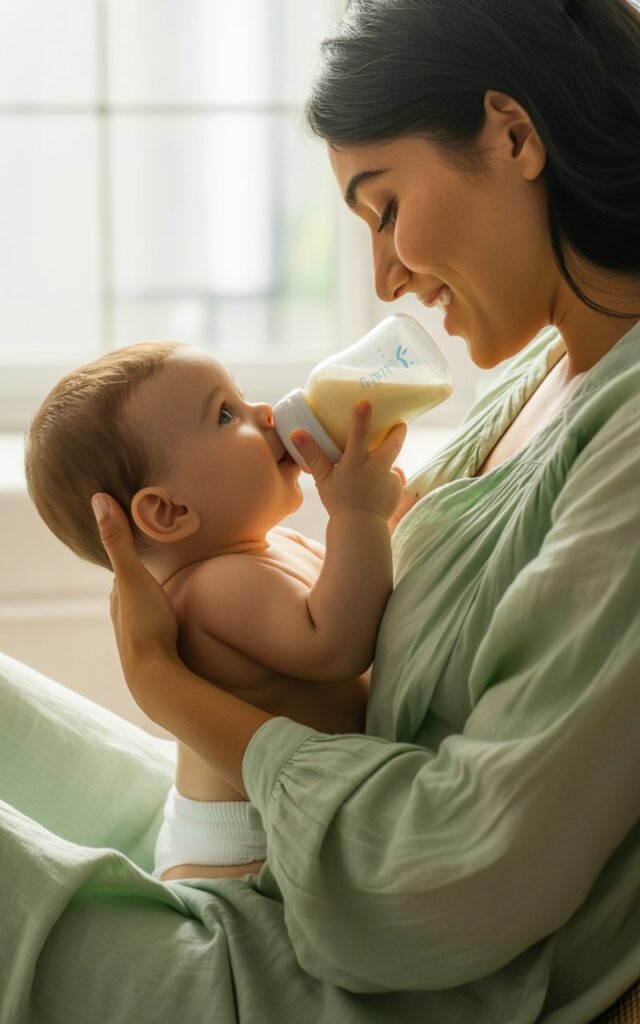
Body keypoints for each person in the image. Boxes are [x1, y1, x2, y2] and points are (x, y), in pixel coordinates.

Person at [1, 0, 639, 1021]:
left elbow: (462, 870)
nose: (385, 277)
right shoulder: (541, 377)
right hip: (281, 861)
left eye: (384, 207)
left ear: (513, 136)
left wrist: (169, 691)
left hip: (348, 970)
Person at [24, 340, 405, 882]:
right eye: (226, 414)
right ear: (169, 511)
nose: (265, 412)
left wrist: (385, 528)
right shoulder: (213, 588)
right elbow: (338, 644)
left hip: (236, 820)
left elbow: (354, 593)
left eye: (242, 397)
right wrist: (358, 514)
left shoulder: (266, 548)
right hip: (239, 856)